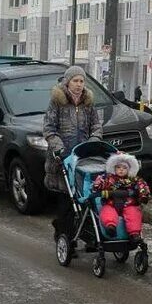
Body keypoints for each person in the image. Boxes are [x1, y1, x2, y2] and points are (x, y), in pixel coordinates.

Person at [45, 66, 103, 234]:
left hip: (83, 158)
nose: (79, 85)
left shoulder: (88, 103)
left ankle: (87, 232)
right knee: (66, 200)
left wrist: (94, 141)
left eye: (81, 81)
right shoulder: (57, 102)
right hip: (63, 158)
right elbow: (49, 128)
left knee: (85, 197)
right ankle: (64, 234)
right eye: (75, 81)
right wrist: (58, 147)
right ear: (67, 82)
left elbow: (96, 126)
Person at [92, 152, 150, 241]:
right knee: (107, 211)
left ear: (129, 169)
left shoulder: (134, 179)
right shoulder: (109, 178)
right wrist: (98, 185)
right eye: (118, 167)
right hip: (111, 203)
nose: (121, 170)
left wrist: (144, 195)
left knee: (134, 213)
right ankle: (110, 227)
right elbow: (100, 183)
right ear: (114, 168)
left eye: (124, 168)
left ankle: (134, 233)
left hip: (129, 204)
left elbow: (142, 186)